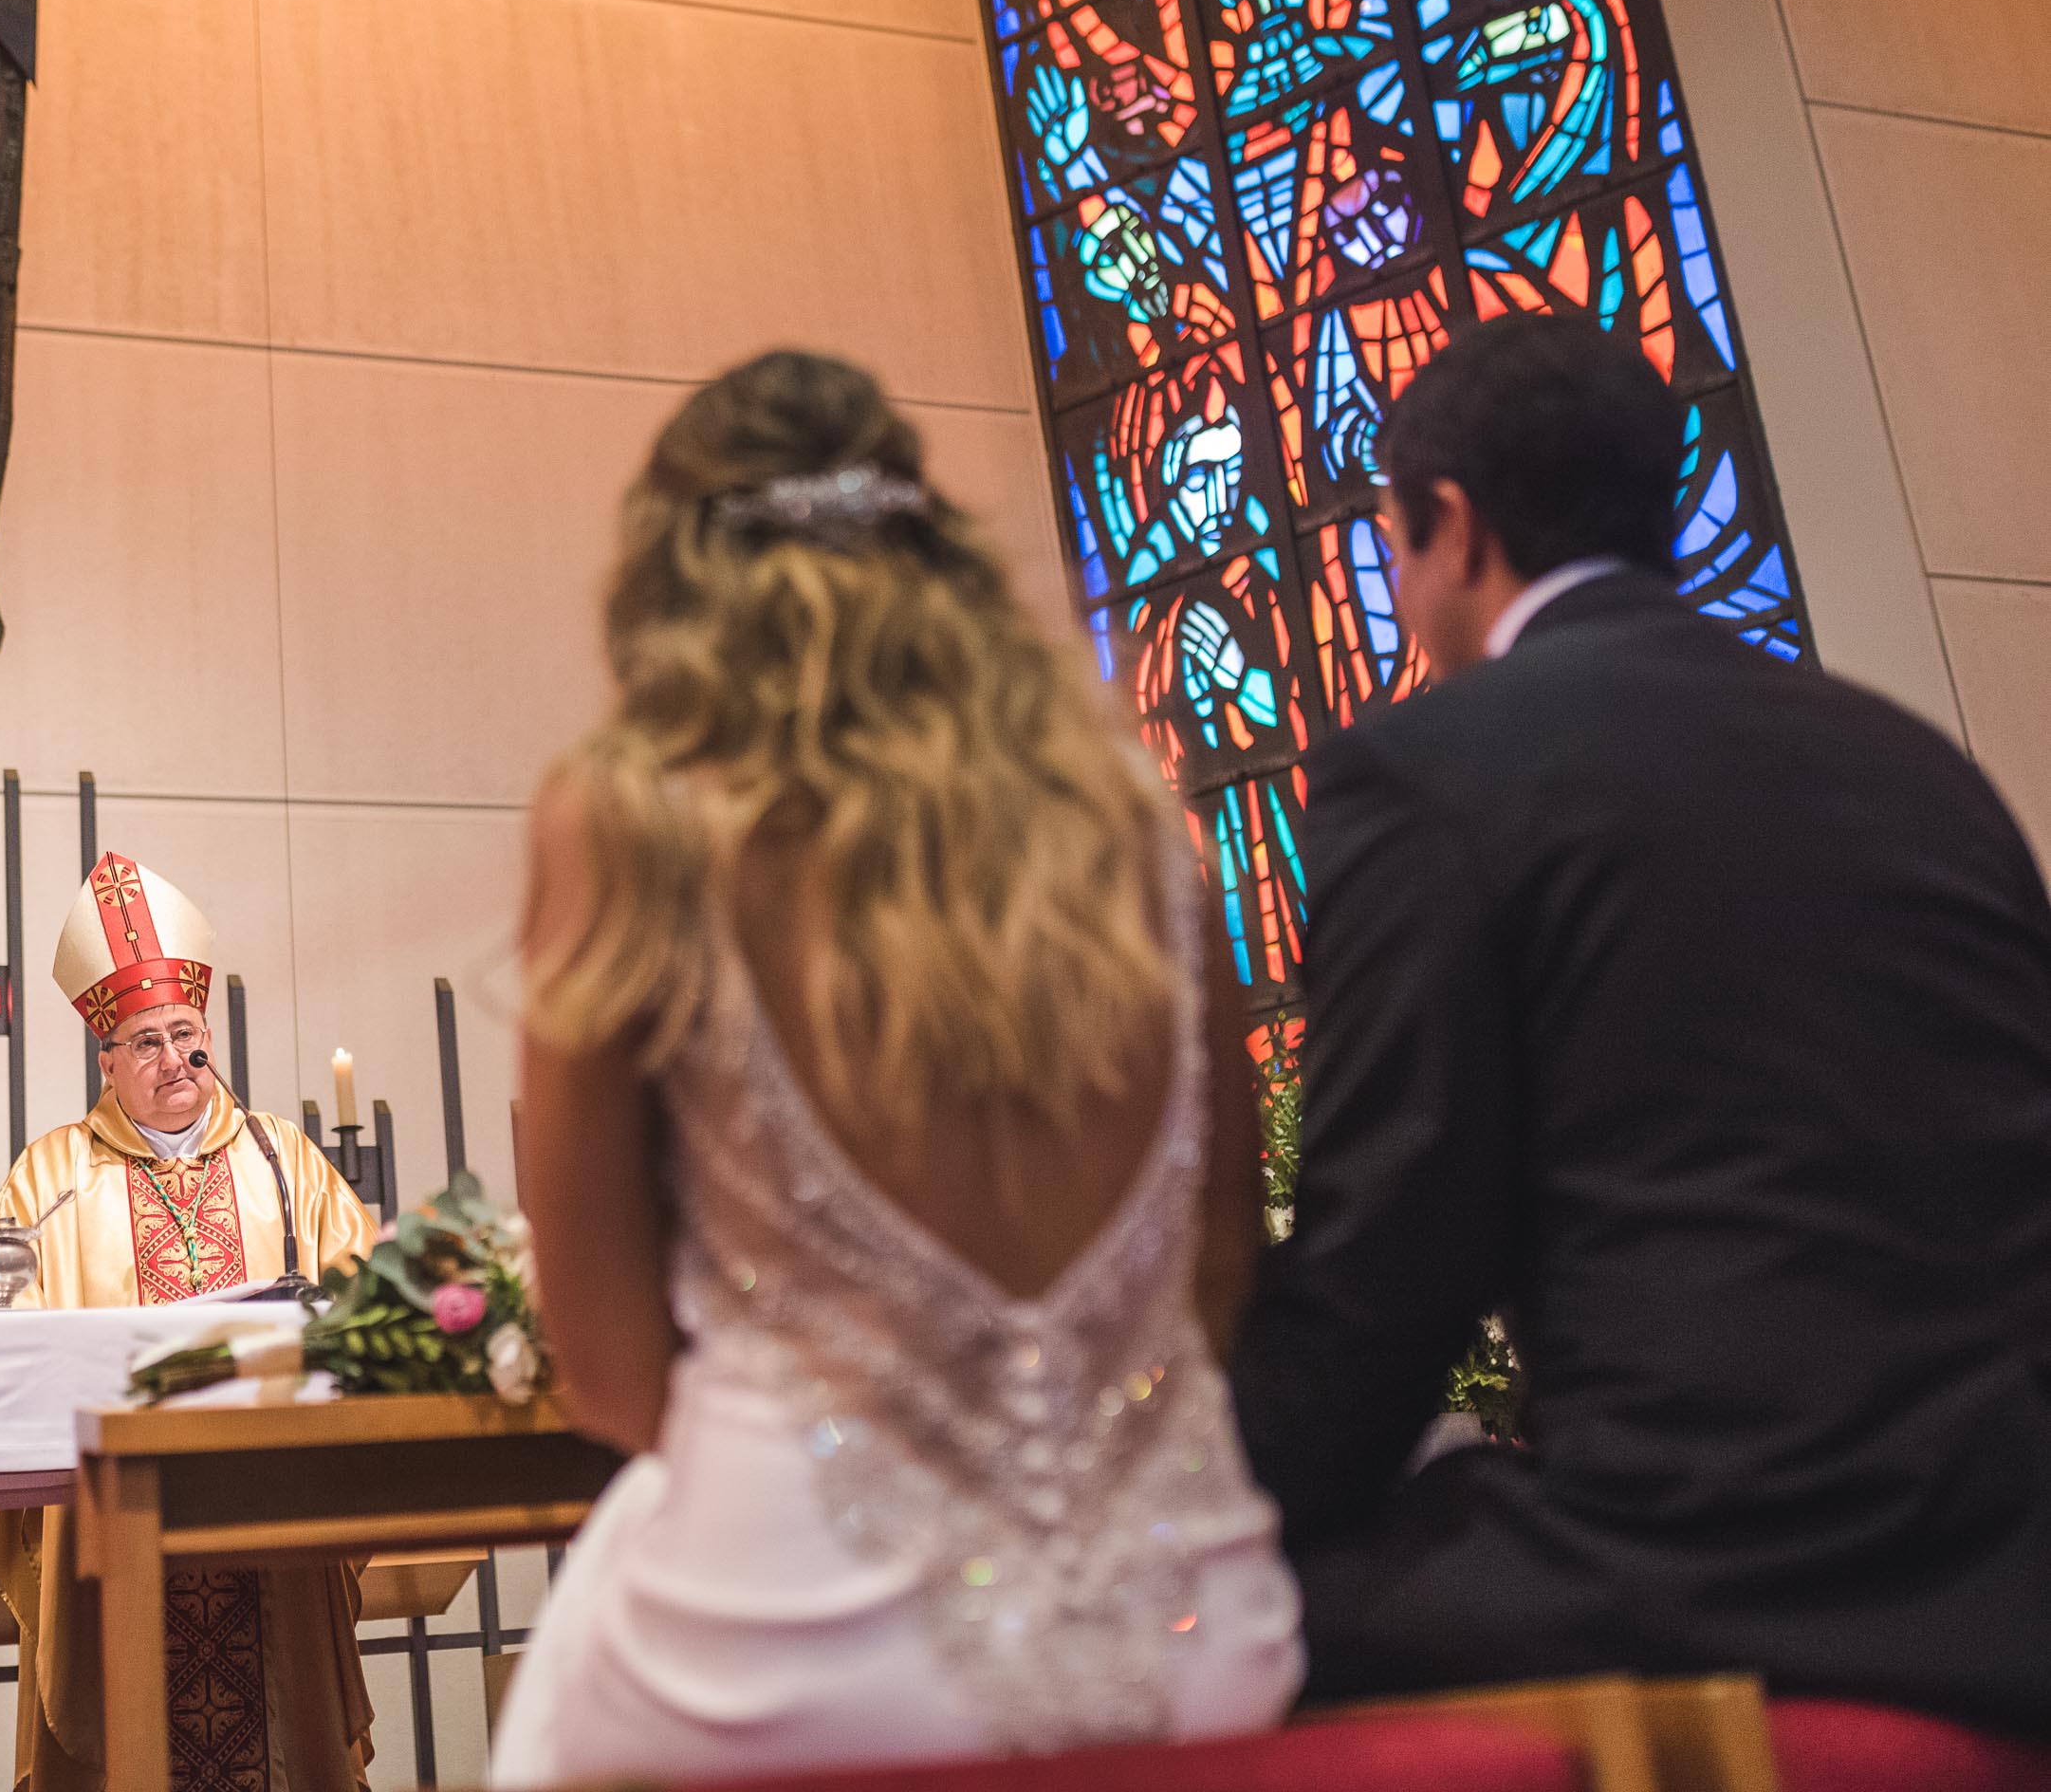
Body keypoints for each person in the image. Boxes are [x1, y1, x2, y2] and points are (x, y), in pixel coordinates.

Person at [1227, 313, 2051, 1735]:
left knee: (1243, 1634)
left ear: (1453, 526)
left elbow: (1387, 1273)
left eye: (1394, 548)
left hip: (1715, 1563)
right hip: (2011, 1563)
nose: (1407, 595)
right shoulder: (1920, 769)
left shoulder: (1435, 774)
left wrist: (1217, 1533)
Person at [490, 351, 1302, 1785]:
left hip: (785, 1659)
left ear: (671, 579)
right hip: (1195, 1641)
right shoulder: (1129, 822)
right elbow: (1223, 1265)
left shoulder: (630, 819)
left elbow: (608, 1371)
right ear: (933, 550)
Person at [0, 848, 379, 1792]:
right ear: (107, 1058)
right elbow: (8, 1332)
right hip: (119, 1521)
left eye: (186, 1033)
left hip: (270, 1508)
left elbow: (363, 1295)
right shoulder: (52, 1174)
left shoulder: (282, 1157)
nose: (173, 1059)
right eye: (146, 1041)